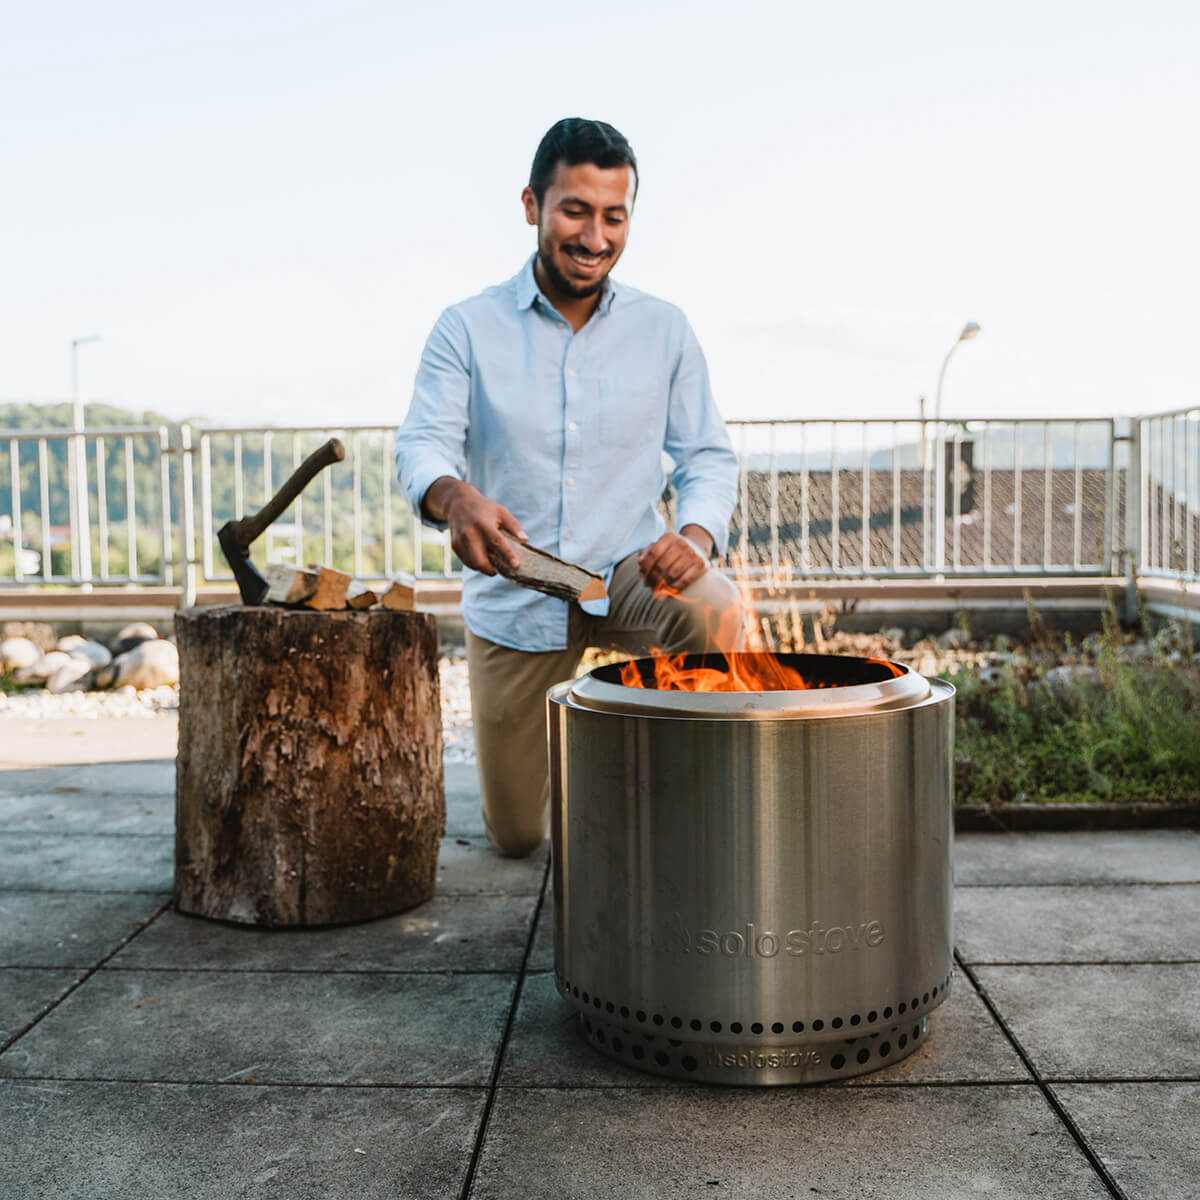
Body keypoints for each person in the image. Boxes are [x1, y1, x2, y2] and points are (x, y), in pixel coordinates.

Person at [395, 117, 743, 857]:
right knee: (519, 836)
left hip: (628, 569)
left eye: (614, 216)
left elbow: (707, 455)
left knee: (712, 604)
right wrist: (454, 498)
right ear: (532, 206)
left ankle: (695, 810)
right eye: (575, 210)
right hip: (522, 583)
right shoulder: (466, 327)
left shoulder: (665, 330)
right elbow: (423, 442)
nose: (595, 236)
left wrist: (695, 536)